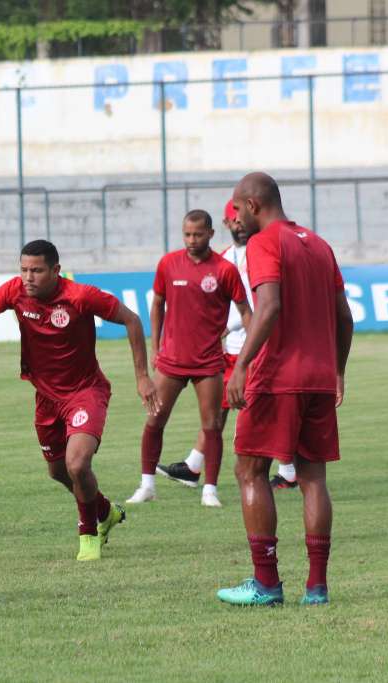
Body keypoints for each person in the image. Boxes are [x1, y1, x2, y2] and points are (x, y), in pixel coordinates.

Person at [0, 240, 161, 561]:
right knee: (58, 472)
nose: (28, 277)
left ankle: (88, 534)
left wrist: (142, 376)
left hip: (86, 392)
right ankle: (105, 512)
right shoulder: (14, 291)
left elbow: (132, 320)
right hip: (46, 398)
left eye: (36, 271)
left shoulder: (80, 296)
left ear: (56, 271)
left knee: (77, 463)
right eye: (24, 270)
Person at [217, 173, 353, 606]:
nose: (235, 219)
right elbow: (345, 317)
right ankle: (317, 588)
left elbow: (269, 305)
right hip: (317, 376)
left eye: (236, 210)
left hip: (278, 377)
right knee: (313, 478)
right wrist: (337, 371)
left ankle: (267, 584)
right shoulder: (318, 244)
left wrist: (240, 366)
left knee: (249, 471)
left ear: (253, 205)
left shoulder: (264, 242)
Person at [158, 201, 298, 494]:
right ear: (224, 224)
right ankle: (194, 466)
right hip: (231, 348)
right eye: (232, 220)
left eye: (241, 218)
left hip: (259, 345)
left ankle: (288, 469)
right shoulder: (222, 259)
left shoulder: (268, 250)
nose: (238, 224)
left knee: (257, 407)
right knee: (220, 409)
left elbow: (266, 304)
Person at [125, 209, 250, 508]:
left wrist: (247, 352)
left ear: (210, 234)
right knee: (154, 421)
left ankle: (210, 490)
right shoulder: (169, 264)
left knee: (211, 426)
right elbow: (157, 304)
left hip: (208, 363)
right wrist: (156, 347)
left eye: (197, 234)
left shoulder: (224, 270)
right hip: (171, 362)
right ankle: (147, 486)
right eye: (187, 234)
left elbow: (247, 314)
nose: (192, 240)